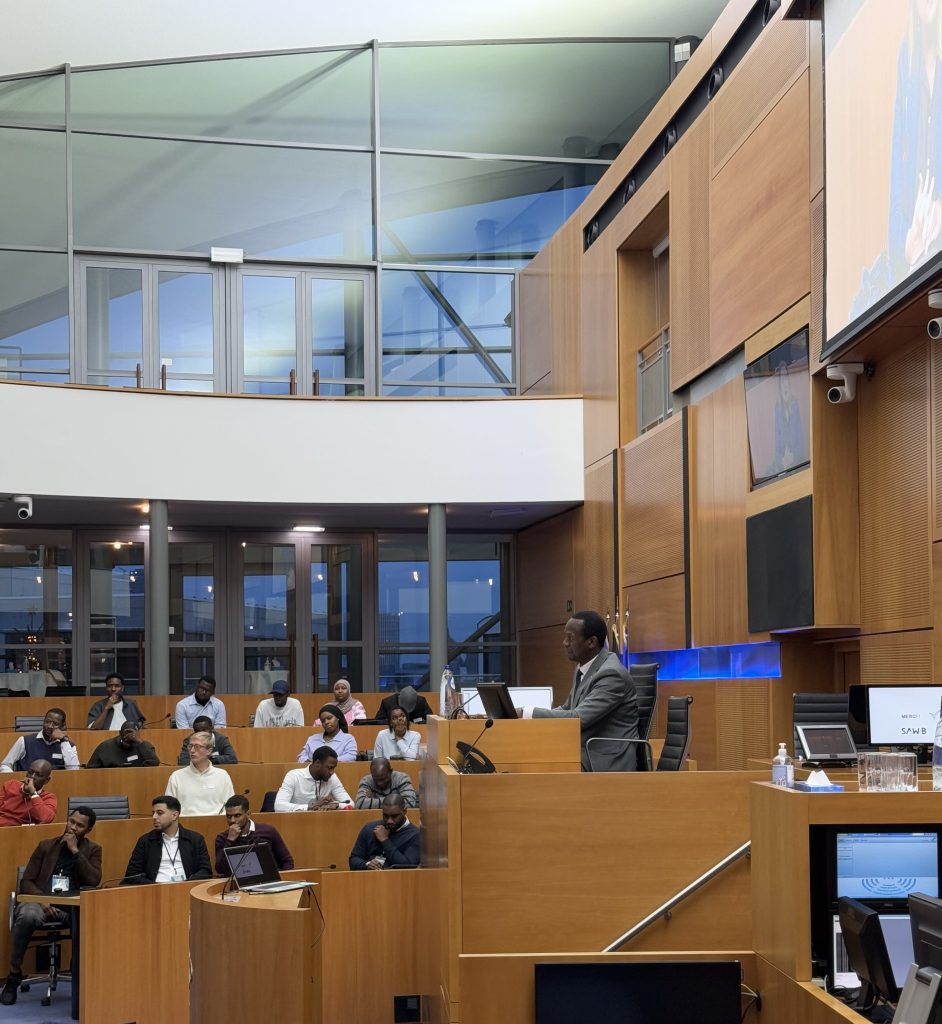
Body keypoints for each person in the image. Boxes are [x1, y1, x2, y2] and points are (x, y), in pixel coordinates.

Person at [0, 806, 102, 1006]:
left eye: (79, 826)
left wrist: (75, 851)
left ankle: (78, 972)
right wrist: (43, 900)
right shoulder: (46, 846)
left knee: (87, 917)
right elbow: (26, 881)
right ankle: (13, 976)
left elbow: (94, 880)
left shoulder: (93, 850)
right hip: (40, 902)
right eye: (71, 821)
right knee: (27, 915)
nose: (72, 828)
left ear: (88, 830)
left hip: (71, 906)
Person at [519, 610, 639, 772]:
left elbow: (577, 718)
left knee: (540, 765)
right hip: (585, 750)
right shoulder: (583, 669)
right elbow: (567, 708)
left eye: (571, 638)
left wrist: (528, 712)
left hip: (606, 759)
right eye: (565, 637)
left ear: (591, 642)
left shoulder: (611, 674)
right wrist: (529, 719)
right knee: (530, 756)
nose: (565, 643)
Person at [122, 795, 212, 884]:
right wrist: (155, 886)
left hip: (187, 889)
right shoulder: (146, 841)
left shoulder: (195, 839)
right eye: (153, 813)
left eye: (159, 813)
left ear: (174, 815)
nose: (154, 817)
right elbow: (132, 875)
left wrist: (187, 884)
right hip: (154, 891)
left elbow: (205, 871)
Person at [214, 794, 294, 875]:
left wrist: (280, 880)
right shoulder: (222, 838)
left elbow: (287, 862)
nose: (232, 820)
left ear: (248, 814)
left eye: (237, 815)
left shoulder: (268, 831)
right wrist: (229, 841)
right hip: (237, 884)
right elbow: (220, 869)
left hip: (269, 882)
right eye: (228, 816)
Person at [166, 732, 235, 815]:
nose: (192, 750)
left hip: (217, 824)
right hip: (185, 824)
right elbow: (169, 808)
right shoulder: (176, 776)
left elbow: (230, 806)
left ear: (209, 751)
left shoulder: (222, 775)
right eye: (190, 746)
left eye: (197, 747)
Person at [348, 794, 420, 870]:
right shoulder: (370, 829)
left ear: (404, 811)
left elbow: (407, 867)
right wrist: (367, 865)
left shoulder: (416, 835)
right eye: (385, 816)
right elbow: (353, 860)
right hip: (368, 879)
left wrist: (385, 840)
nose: (389, 821)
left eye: (394, 816)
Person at [0, 708, 79, 772]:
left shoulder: (69, 746)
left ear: (62, 726)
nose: (50, 726)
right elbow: (5, 765)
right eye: (47, 722)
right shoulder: (25, 741)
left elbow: (73, 771)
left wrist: (63, 741)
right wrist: (15, 782)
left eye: (55, 724)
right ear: (43, 721)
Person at [275, 746, 352, 811]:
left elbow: (350, 803)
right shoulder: (294, 776)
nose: (332, 772)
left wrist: (335, 805)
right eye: (330, 768)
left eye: (333, 768)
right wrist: (309, 807)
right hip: (296, 822)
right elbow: (278, 806)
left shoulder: (332, 778)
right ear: (317, 763)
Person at [0, 761, 56, 826]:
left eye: (38, 775)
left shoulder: (48, 797)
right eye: (30, 772)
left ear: (46, 780)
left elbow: (46, 819)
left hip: (23, 833)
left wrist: (33, 793)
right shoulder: (11, 785)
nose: (32, 777)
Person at [87, 721, 159, 768]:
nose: (128, 736)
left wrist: (139, 741)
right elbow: (91, 769)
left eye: (132, 733)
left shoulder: (144, 746)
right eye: (126, 732)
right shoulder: (106, 746)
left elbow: (154, 763)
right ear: (120, 733)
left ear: (137, 734)